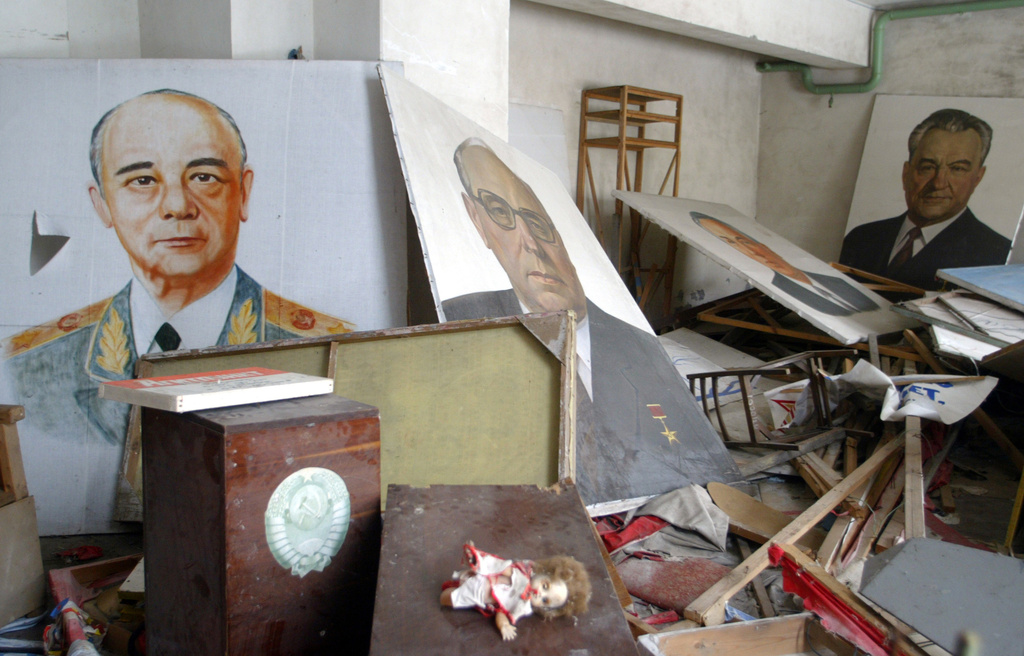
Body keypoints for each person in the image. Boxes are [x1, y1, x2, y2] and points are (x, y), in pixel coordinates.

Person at [2, 89, 353, 445]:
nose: (176, 206)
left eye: (204, 177)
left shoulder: (324, 349)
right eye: (142, 180)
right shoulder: (30, 366)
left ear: (243, 193)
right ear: (102, 204)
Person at [442, 138, 738, 502]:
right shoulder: (459, 324)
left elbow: (690, 459)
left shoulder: (639, 346)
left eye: (538, 223)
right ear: (477, 221)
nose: (531, 242)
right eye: (500, 214)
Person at [839, 108, 1010, 291]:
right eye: (928, 167)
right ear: (906, 174)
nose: (938, 183)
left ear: (977, 178)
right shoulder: (862, 239)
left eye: (957, 169)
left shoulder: (998, 259)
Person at [691, 212, 878, 317]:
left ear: (761, 244)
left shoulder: (837, 280)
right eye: (731, 243)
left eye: (744, 241)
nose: (750, 251)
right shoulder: (781, 291)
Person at [440, 542, 591, 641]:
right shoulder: (521, 575)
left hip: (478, 595)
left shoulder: (523, 607)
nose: (540, 594)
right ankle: (477, 560)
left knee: (446, 599)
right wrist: (483, 564)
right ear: (544, 572)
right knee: (492, 566)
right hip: (484, 577)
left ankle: (454, 591)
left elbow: (502, 612)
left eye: (545, 600)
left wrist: (504, 625)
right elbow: (504, 569)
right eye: (545, 586)